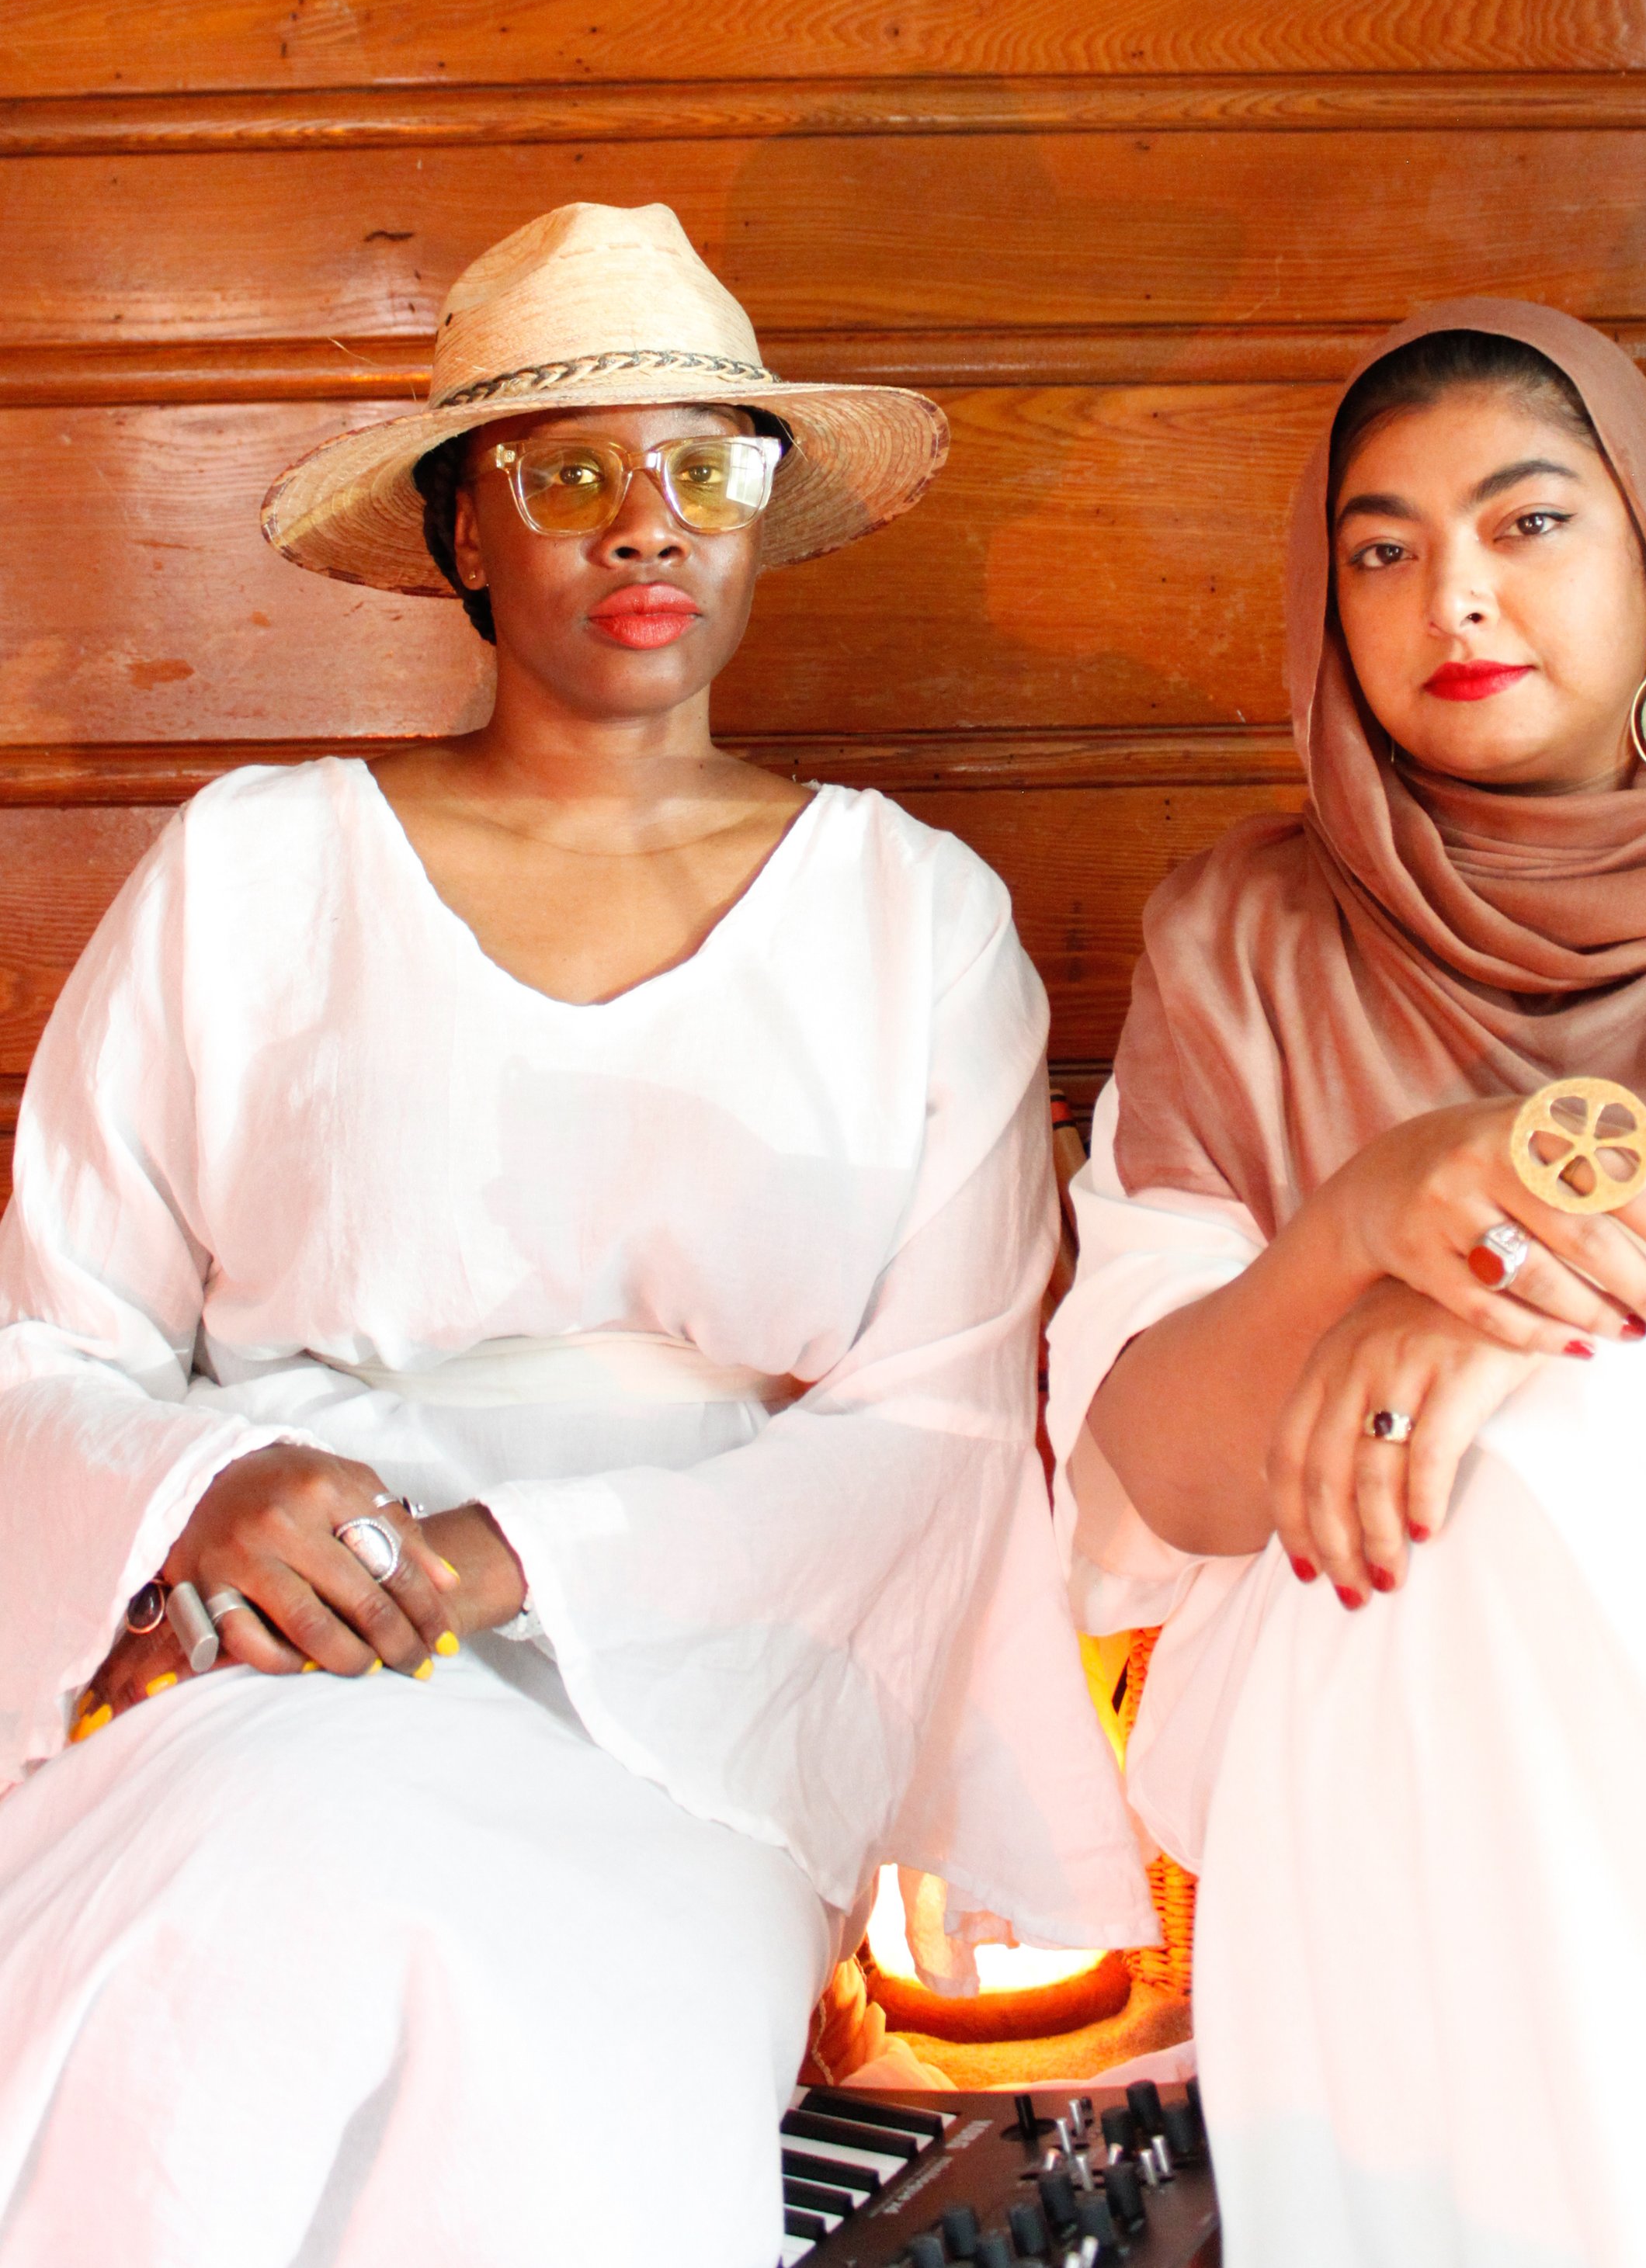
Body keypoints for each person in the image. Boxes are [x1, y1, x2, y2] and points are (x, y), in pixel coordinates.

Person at [0, 201, 1151, 2268]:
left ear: (762, 518)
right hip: (277, 1645)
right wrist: (203, 1481)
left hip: (702, 1700)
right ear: (461, 530)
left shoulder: (913, 920)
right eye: (570, 468)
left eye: (704, 464)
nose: (645, 523)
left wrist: (512, 1557)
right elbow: (42, 1349)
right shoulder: (251, 870)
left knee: (502, 2017)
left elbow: (936, 1436)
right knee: (219, 1930)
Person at [1047, 296, 1646, 2268]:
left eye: (1528, 523)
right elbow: (1140, 1488)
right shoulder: (1240, 946)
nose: (1452, 589)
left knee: (1561, 1438)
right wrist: (1367, 1216)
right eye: (1380, 548)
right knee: (1485, 1509)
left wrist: (1499, 1308)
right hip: (1357, 1672)